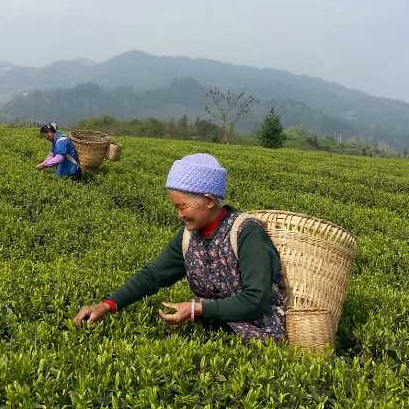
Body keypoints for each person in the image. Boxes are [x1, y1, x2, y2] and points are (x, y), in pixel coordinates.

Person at [74, 153, 286, 342]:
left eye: (183, 206)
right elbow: (153, 275)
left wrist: (196, 309)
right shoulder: (189, 236)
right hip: (215, 329)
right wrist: (108, 305)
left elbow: (255, 300)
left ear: (209, 200)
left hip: (259, 336)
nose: (179, 215)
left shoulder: (247, 233)